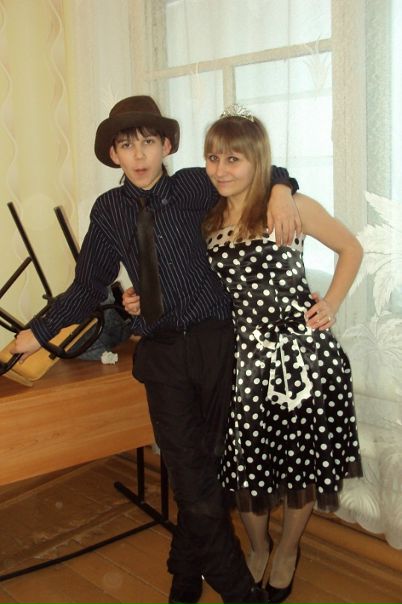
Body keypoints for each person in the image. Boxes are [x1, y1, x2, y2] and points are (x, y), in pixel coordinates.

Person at [11, 96, 300, 604]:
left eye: (148, 142)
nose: (139, 154)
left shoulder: (193, 184)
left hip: (218, 344)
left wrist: (282, 189)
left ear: (166, 145)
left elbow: (256, 170)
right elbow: (87, 287)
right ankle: (241, 595)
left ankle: (183, 580)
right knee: (192, 481)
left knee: (212, 476)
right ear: (113, 154)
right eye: (127, 145)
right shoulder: (108, 211)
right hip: (163, 354)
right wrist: (35, 333)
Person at [201, 106, 363, 604]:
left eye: (233, 159)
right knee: (248, 465)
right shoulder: (207, 217)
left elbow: (351, 248)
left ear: (258, 161)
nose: (220, 169)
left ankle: (288, 551)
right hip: (246, 362)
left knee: (302, 465)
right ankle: (258, 546)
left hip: (307, 359)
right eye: (212, 158)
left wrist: (330, 304)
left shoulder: (291, 207)